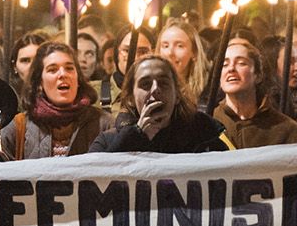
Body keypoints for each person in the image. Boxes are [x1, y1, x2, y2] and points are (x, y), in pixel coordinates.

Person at [91, 56, 233, 154]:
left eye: (163, 83)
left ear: (177, 95)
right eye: (145, 84)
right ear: (130, 99)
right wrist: (135, 137)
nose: (155, 90)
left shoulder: (206, 138)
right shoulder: (106, 143)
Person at [0, 41, 115, 159]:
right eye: (52, 70)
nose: (62, 74)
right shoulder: (18, 128)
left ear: (78, 79)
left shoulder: (104, 124)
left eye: (69, 68)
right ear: (39, 82)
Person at [212, 37, 297, 148]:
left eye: (241, 63)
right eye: (224, 64)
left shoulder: (285, 129)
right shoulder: (209, 125)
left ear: (258, 75)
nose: (231, 69)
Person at [157, 17, 211, 108]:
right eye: (165, 46)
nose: (170, 53)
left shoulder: (208, 91)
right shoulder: (150, 89)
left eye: (179, 46)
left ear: (194, 52)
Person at [10, 32, 49, 102]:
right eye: (25, 60)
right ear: (14, 66)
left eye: (38, 59)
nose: (32, 66)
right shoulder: (8, 100)